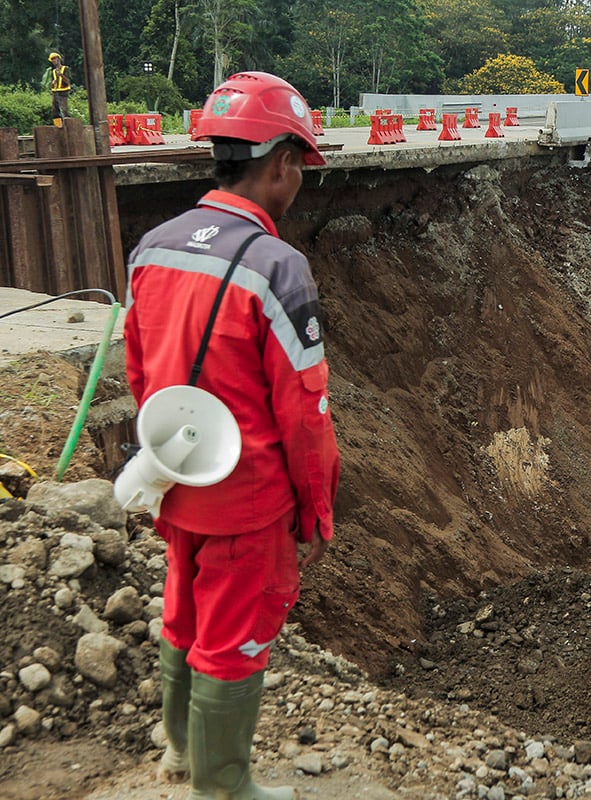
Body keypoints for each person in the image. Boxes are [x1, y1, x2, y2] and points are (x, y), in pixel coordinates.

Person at [122, 71, 339, 800]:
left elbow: (138, 371)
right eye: (300, 167)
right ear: (279, 162)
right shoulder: (278, 268)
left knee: (183, 616)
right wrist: (315, 507)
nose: (299, 181)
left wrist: (163, 458)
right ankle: (222, 786)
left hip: (177, 476)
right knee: (234, 636)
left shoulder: (153, 246)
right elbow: (304, 416)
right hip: (247, 503)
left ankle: (179, 756)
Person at [42, 52, 71, 123]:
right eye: (52, 60)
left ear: (58, 59)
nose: (53, 61)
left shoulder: (65, 69)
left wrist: (61, 75)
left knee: (64, 109)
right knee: (55, 109)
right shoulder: (53, 71)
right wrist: (52, 83)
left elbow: (68, 81)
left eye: (54, 59)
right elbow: (52, 82)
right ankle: (58, 124)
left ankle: (68, 123)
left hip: (64, 91)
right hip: (55, 91)